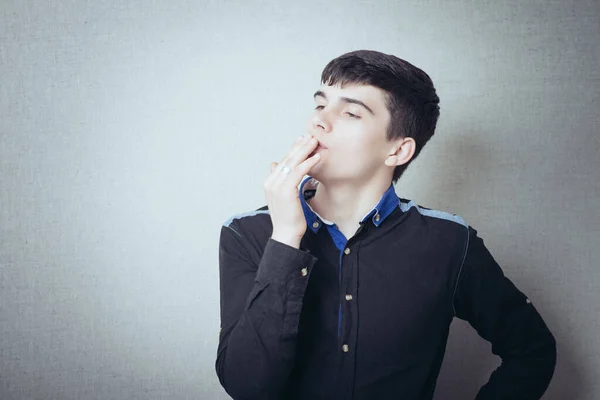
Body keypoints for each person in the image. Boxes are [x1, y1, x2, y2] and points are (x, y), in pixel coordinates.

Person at [215, 50, 556, 400]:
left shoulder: (450, 242)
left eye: (349, 112)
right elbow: (247, 387)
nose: (318, 122)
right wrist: (285, 238)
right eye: (320, 105)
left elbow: (532, 350)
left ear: (398, 151)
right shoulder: (246, 233)